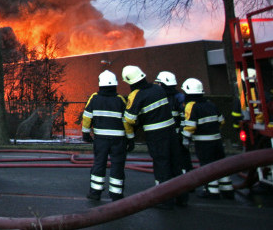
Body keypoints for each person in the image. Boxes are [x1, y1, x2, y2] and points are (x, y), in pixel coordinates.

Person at [122, 65, 184, 209]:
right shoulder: (159, 89)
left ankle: (165, 200)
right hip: (171, 132)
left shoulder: (137, 95)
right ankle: (182, 197)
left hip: (156, 135)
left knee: (161, 165)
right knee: (175, 164)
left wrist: (131, 134)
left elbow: (130, 119)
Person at [81, 70, 132, 201]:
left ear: (100, 84)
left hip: (101, 140)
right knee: (117, 165)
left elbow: (87, 117)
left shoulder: (94, 98)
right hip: (119, 140)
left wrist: (86, 133)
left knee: (99, 164)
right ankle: (116, 194)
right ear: (115, 84)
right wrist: (130, 138)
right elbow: (127, 121)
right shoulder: (120, 100)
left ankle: (95, 193)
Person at [182, 78, 234, 199]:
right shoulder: (211, 104)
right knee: (220, 164)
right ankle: (227, 189)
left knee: (207, 165)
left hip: (203, 142)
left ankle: (212, 191)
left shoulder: (191, 105)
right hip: (217, 140)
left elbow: (190, 126)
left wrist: (185, 138)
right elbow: (221, 121)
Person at [156, 71, 193, 182]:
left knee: (180, 159)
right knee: (178, 159)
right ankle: (183, 182)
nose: (158, 85)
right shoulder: (180, 97)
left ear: (163, 84)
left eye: (159, 83)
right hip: (174, 136)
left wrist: (184, 135)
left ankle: (183, 182)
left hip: (175, 136)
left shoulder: (179, 99)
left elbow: (187, 118)